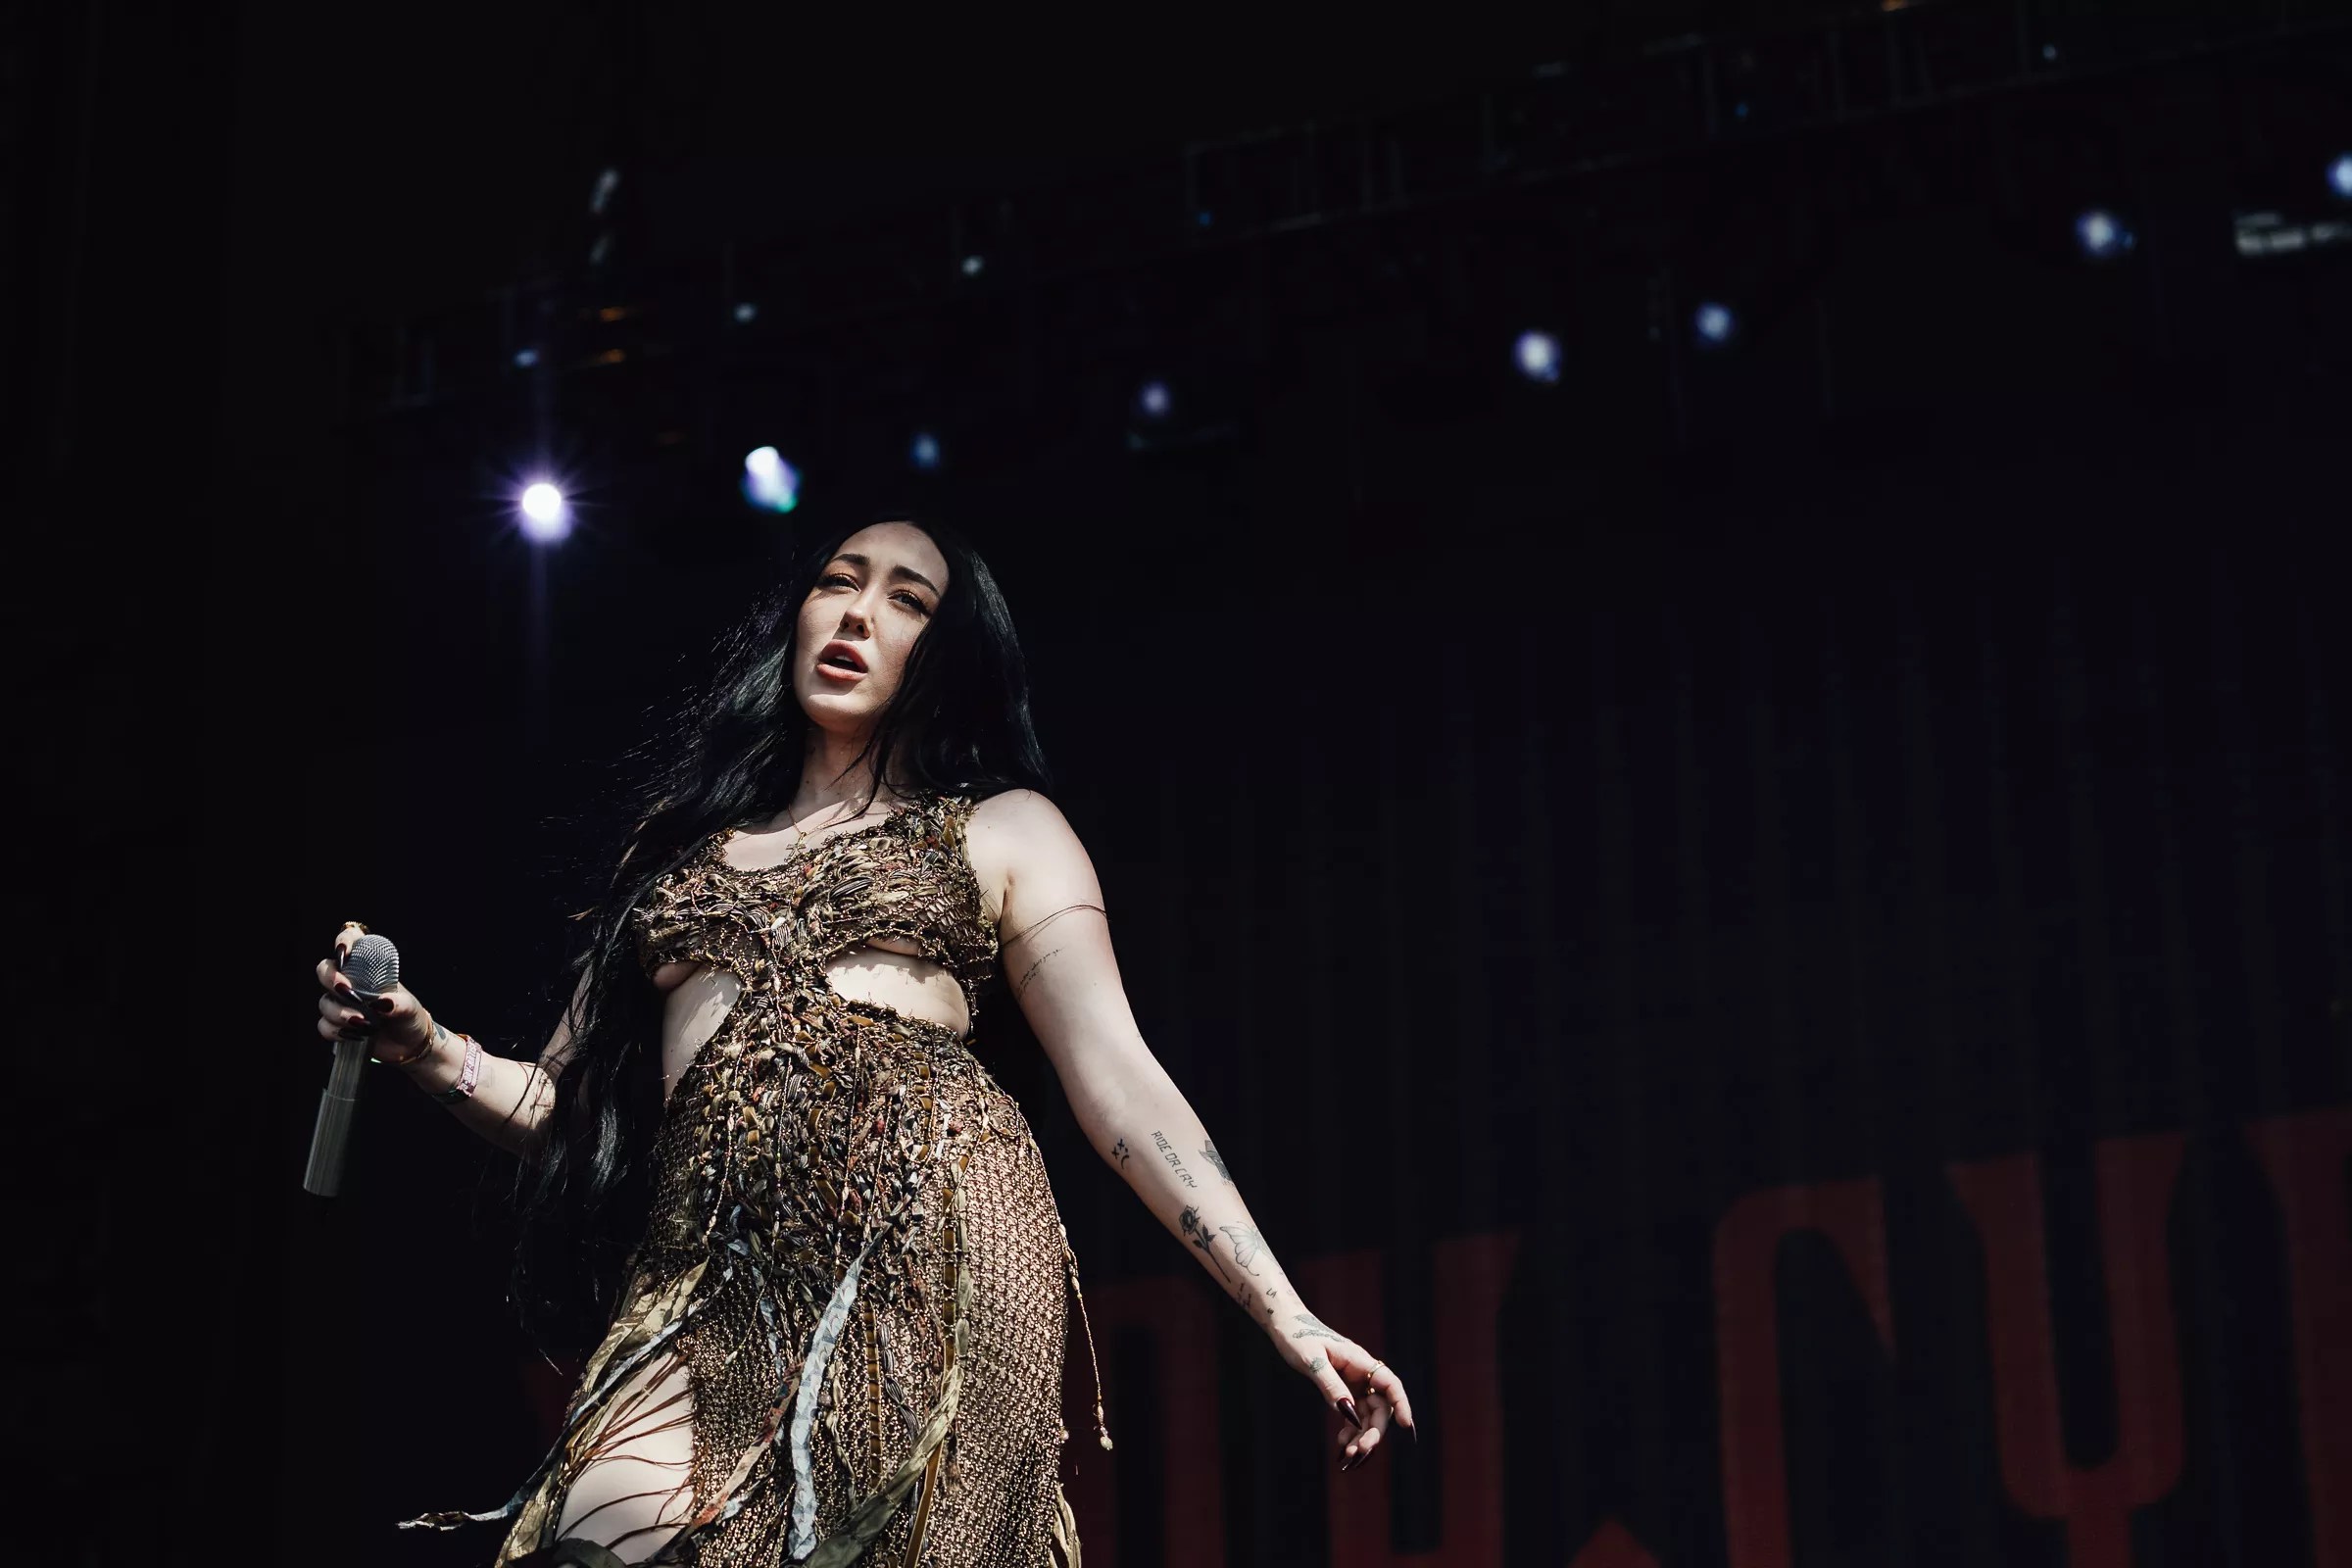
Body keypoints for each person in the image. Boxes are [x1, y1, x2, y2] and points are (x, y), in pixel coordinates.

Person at [310, 516, 1414, 1567]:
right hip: (705, 1272)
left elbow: (1118, 1079)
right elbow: (562, 1110)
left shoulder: (1002, 826)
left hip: (933, 1249)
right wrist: (422, 1044)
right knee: (600, 1530)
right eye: (837, 582)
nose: (855, 613)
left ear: (951, 655)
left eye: (906, 599)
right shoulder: (678, 853)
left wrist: (1285, 1311)